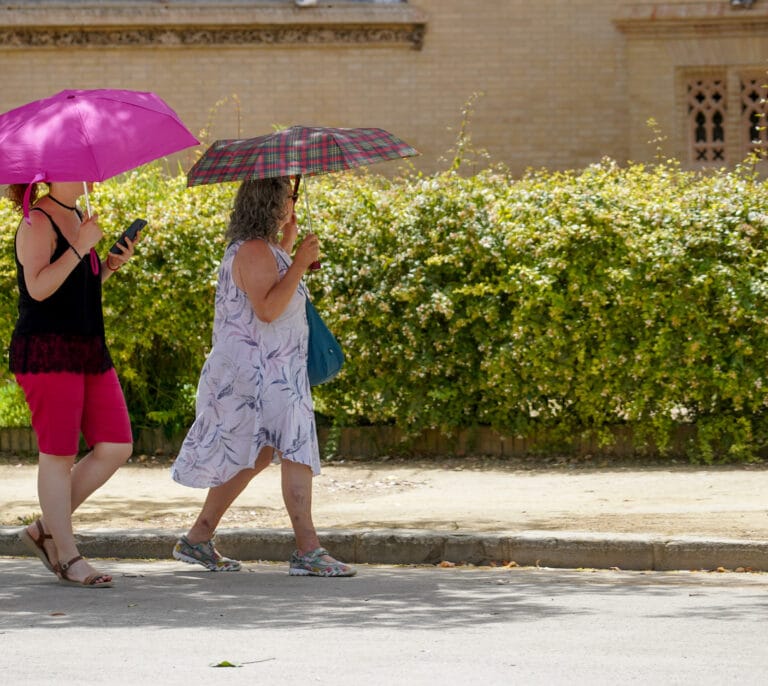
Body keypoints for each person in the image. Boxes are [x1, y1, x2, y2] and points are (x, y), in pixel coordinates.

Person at [170, 176, 356, 577]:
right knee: (295, 449)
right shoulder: (254, 251)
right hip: (264, 373)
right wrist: (301, 263)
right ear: (270, 203)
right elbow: (268, 308)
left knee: (255, 454)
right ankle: (308, 550)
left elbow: (269, 286)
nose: (293, 201)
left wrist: (287, 248)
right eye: (288, 196)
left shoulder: (262, 250)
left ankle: (198, 538)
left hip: (266, 369)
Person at [9, 181, 137, 588]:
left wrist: (109, 267)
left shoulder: (80, 218)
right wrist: (81, 247)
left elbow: (74, 292)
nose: (90, 174)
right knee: (58, 456)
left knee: (117, 446)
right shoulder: (37, 222)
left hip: (87, 347)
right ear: (54, 169)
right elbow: (38, 288)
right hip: (48, 350)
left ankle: (45, 529)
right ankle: (68, 556)